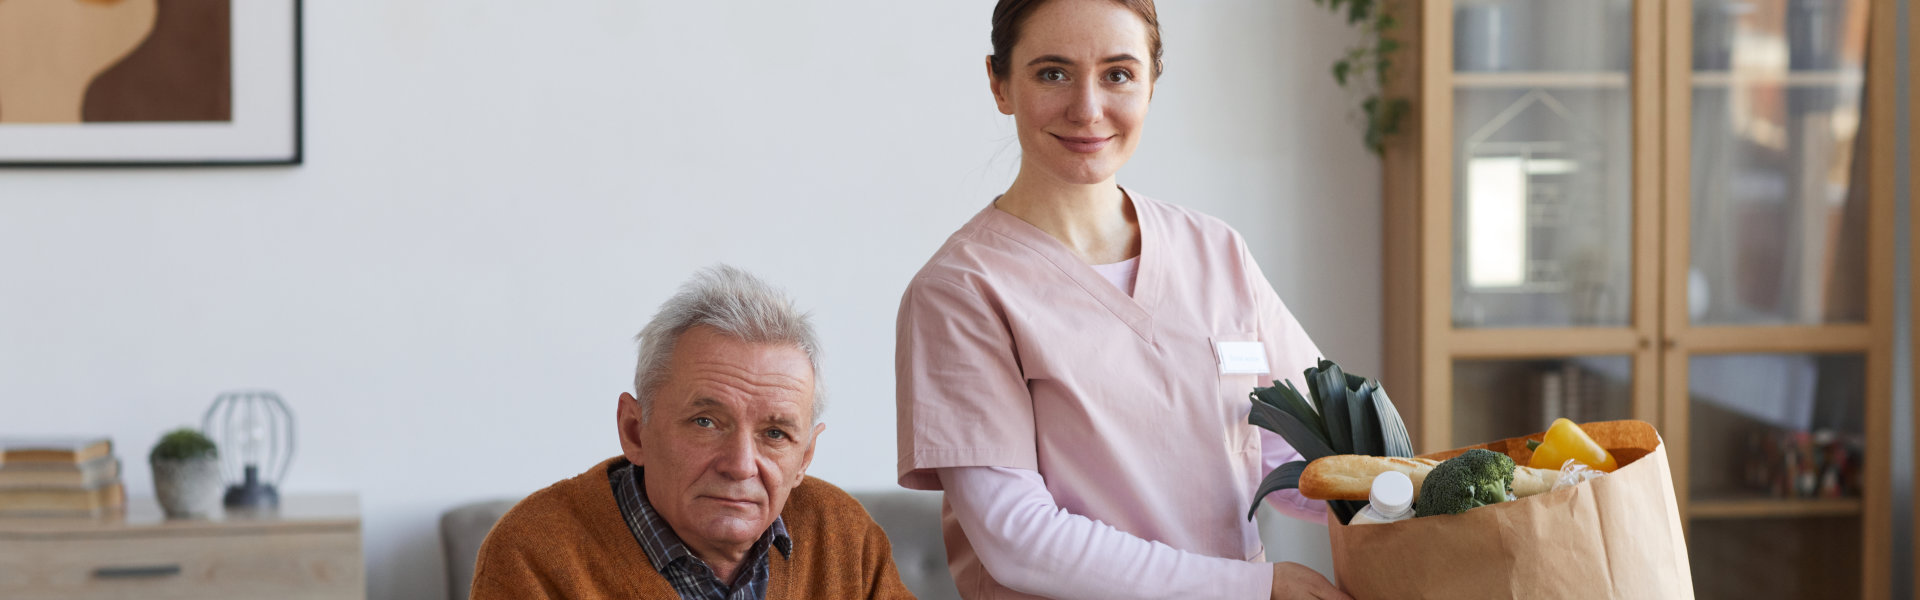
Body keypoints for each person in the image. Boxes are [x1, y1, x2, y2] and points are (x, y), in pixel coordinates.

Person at [894, 1, 1351, 598]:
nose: (1088, 109)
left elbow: (1316, 458)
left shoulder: (1215, 251)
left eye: (1118, 74)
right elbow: (1018, 539)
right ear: (999, 84)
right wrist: (1256, 587)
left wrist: (1436, 494)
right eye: (1052, 73)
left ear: (1151, 84)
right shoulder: (961, 291)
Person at [475, 265, 914, 599]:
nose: (740, 466)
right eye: (706, 422)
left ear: (806, 457)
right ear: (634, 431)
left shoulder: (846, 537)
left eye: (776, 434)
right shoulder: (533, 554)